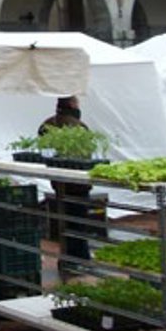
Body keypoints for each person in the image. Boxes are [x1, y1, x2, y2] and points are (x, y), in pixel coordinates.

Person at [38, 95, 92, 263]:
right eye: (77, 102)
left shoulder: (47, 124)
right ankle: (79, 258)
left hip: (58, 181)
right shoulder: (79, 127)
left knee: (65, 220)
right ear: (72, 104)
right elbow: (85, 155)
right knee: (78, 222)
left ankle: (69, 257)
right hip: (77, 183)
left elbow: (44, 151)